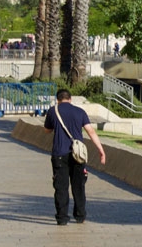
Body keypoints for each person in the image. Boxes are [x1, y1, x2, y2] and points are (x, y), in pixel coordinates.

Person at [43, 89, 106, 225]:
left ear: (58, 99)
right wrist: (101, 150)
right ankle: (80, 215)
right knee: (78, 186)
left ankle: (62, 218)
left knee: (61, 187)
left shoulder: (53, 111)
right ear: (70, 99)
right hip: (78, 155)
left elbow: (47, 130)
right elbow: (91, 131)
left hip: (59, 154)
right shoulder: (80, 112)